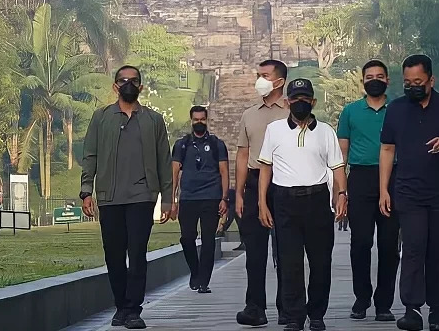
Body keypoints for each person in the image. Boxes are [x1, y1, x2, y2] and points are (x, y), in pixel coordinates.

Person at [379, 55, 439, 331]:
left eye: (418, 82)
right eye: (407, 82)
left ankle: (437, 310)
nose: (412, 87)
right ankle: (411, 309)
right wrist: (383, 190)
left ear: (431, 80)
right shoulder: (396, 109)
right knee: (412, 248)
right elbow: (387, 149)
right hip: (408, 192)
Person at [80, 65, 174, 330]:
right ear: (115, 86)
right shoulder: (101, 118)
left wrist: (167, 198)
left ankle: (134, 309)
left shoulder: (153, 120)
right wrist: (86, 191)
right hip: (109, 197)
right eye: (123, 80)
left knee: (137, 253)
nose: (128, 84)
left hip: (142, 197)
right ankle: (121, 305)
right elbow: (90, 156)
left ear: (141, 87)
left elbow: (163, 162)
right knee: (113, 255)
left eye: (133, 81)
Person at [258, 78, 348, 331]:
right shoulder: (274, 130)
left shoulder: (326, 131)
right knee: (289, 263)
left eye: (305, 99)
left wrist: (342, 195)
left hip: (317, 200)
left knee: (321, 261)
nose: (300, 103)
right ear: (287, 102)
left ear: (313, 102)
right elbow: (266, 168)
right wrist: (262, 203)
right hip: (284, 201)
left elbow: (338, 168)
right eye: (295, 99)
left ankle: (317, 314)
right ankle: (295, 316)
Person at [337, 59, 398, 322]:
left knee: (389, 245)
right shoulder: (350, 112)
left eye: (380, 76)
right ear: (363, 81)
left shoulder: (397, 109)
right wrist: (340, 189)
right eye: (369, 76)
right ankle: (361, 299)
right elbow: (341, 152)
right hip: (360, 179)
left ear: (387, 81)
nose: (375, 80)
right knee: (360, 243)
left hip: (394, 179)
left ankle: (384, 303)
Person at [234, 59, 289, 326]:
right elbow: (242, 154)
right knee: (255, 252)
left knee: (287, 250)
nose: (260, 80)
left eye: (265, 75)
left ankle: (287, 307)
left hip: (286, 183)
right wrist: (239, 192)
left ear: (279, 81)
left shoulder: (291, 111)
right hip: (255, 182)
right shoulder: (249, 114)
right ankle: (255, 307)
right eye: (258, 75)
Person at [172, 105, 229, 294]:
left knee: (208, 240)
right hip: (188, 197)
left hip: (211, 197)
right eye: (195, 120)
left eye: (202, 119)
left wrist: (224, 198)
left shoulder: (216, 144)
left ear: (207, 120)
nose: (199, 123)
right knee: (187, 238)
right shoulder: (182, 144)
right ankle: (195, 271)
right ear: (191, 121)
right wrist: (172, 199)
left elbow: (224, 172)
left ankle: (204, 281)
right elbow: (174, 172)